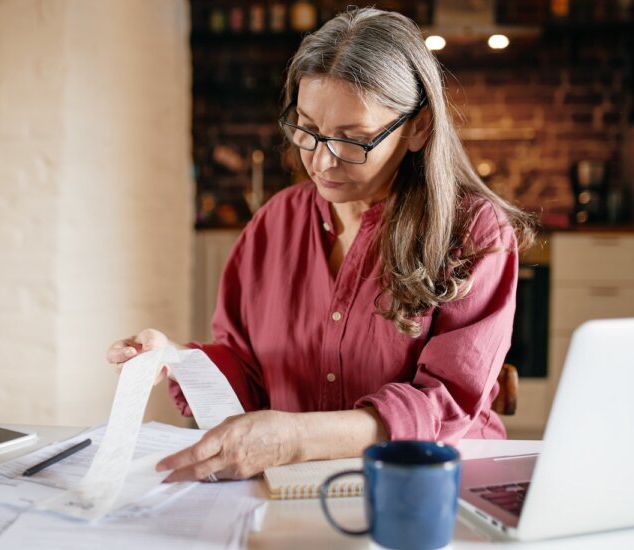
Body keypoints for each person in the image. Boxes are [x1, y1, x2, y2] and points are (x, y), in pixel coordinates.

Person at [107, 7, 535, 483]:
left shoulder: (473, 232)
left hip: (427, 484)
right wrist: (176, 360)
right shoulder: (274, 224)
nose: (321, 161)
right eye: (307, 128)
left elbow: (443, 404)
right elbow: (248, 369)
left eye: (353, 140)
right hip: (294, 484)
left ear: (418, 127)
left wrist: (296, 438)